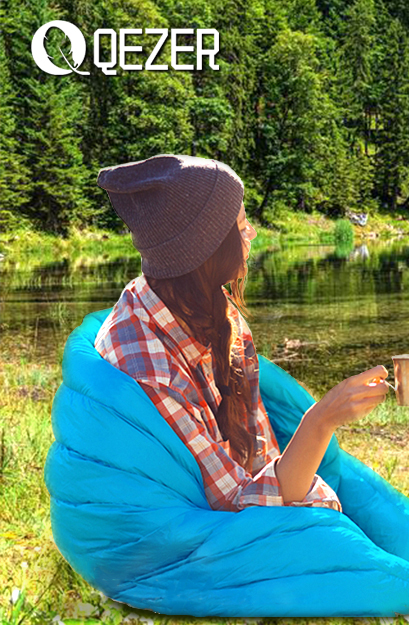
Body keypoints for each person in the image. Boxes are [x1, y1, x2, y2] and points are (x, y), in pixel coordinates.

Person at [93, 154, 390, 512]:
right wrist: (321, 420)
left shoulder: (220, 316)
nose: (251, 233)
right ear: (206, 247)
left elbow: (258, 460)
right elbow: (235, 504)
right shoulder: (147, 363)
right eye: (241, 223)